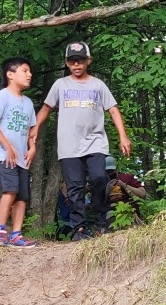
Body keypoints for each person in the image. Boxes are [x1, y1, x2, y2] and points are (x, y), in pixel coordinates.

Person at [34, 41, 131, 240]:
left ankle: (99, 218)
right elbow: (46, 108)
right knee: (75, 187)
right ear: (66, 63)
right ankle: (79, 228)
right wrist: (34, 129)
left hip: (95, 141)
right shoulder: (61, 85)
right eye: (72, 61)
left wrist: (123, 136)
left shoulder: (97, 84)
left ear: (88, 61)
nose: (76, 65)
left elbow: (113, 109)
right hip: (69, 145)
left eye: (80, 61)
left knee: (99, 178)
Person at [0, 56, 38, 247]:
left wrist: (32, 148)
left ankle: (16, 234)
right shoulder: (1, 97)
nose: (29, 74)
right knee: (11, 189)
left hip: (22, 157)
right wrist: (7, 147)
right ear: (10, 74)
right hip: (3, 154)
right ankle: (0, 230)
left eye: (29, 71)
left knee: (23, 195)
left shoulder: (28, 103)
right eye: (24, 71)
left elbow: (32, 132)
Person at [105, 155, 148, 225]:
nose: (110, 173)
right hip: (112, 215)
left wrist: (125, 185)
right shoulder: (102, 182)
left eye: (111, 170)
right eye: (108, 171)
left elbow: (143, 194)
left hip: (131, 213)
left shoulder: (127, 177)